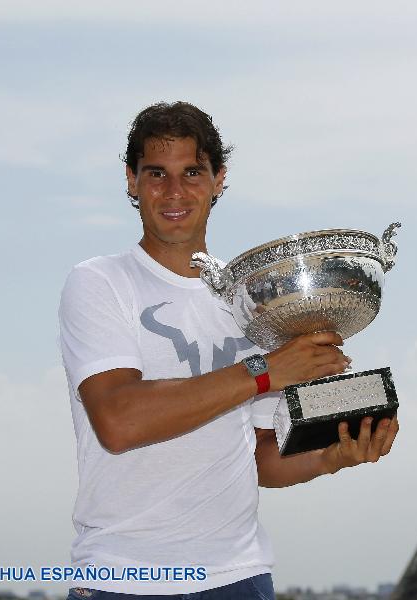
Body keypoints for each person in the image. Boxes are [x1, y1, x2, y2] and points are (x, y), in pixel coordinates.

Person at [58, 101, 398, 599]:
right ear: (131, 180)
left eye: (192, 172)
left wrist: (333, 457)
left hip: (239, 577)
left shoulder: (256, 301)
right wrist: (264, 371)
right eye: (157, 173)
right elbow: (118, 420)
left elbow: (262, 459)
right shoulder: (99, 283)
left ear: (219, 179)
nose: (175, 192)